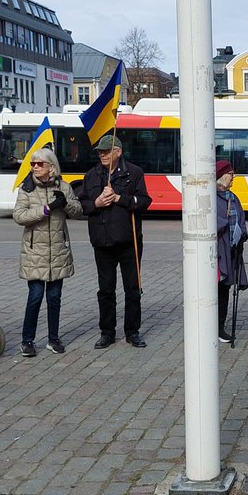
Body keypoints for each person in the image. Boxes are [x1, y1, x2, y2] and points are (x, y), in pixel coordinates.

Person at [77, 135, 152, 349]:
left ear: (117, 152)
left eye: (106, 151)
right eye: (100, 152)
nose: (101, 154)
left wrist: (120, 198)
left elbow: (145, 201)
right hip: (102, 242)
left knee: (132, 289)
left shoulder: (134, 173)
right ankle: (107, 332)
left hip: (129, 241)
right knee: (106, 290)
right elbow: (81, 205)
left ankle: (132, 332)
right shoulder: (91, 176)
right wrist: (97, 203)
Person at [14, 147, 83, 356]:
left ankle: (54, 339)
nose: (35, 167)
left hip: (58, 250)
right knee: (35, 296)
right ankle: (27, 340)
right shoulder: (26, 188)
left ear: (51, 167)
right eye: (33, 164)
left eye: (39, 164)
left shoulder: (64, 186)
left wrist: (66, 203)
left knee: (55, 298)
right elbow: (19, 216)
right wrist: (46, 209)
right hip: (35, 252)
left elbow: (78, 212)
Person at [215, 160, 248, 344]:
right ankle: (213, 327)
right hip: (218, 251)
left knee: (225, 289)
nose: (233, 177)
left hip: (233, 250)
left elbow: (241, 218)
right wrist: (225, 223)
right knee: (217, 288)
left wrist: (242, 233)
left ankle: (221, 325)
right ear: (222, 176)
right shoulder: (211, 196)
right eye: (230, 174)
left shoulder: (233, 196)